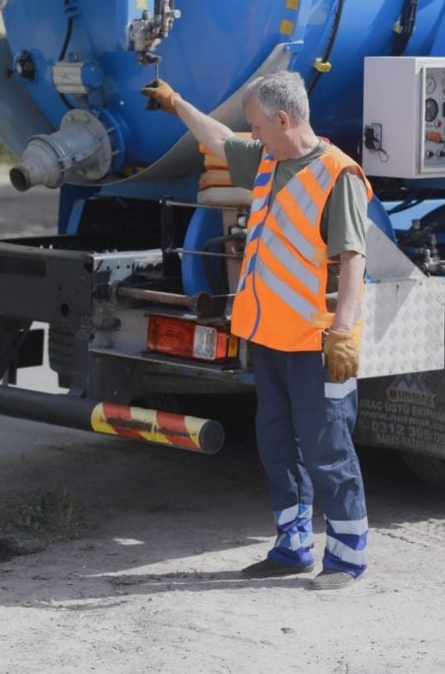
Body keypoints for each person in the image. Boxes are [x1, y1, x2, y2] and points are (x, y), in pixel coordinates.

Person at [142, 71, 371, 590]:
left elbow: (354, 259)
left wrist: (342, 332)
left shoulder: (338, 174)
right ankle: (292, 546)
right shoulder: (269, 158)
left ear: (284, 120)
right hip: (271, 336)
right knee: (276, 442)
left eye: (258, 125)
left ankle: (348, 555)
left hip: (316, 341)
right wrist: (178, 101)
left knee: (325, 447)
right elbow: (219, 141)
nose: (252, 133)